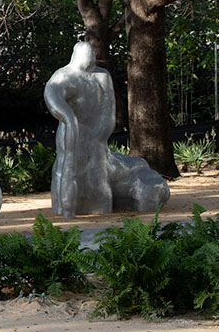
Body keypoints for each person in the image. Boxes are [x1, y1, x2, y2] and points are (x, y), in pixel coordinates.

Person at [44, 42, 169, 218]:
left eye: (91, 58)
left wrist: (100, 133)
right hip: (73, 133)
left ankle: (96, 203)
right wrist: (68, 118)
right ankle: (67, 207)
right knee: (68, 167)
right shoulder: (65, 75)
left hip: (95, 137)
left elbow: (108, 109)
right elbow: (52, 93)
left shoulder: (102, 76)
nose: (88, 62)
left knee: (95, 171)